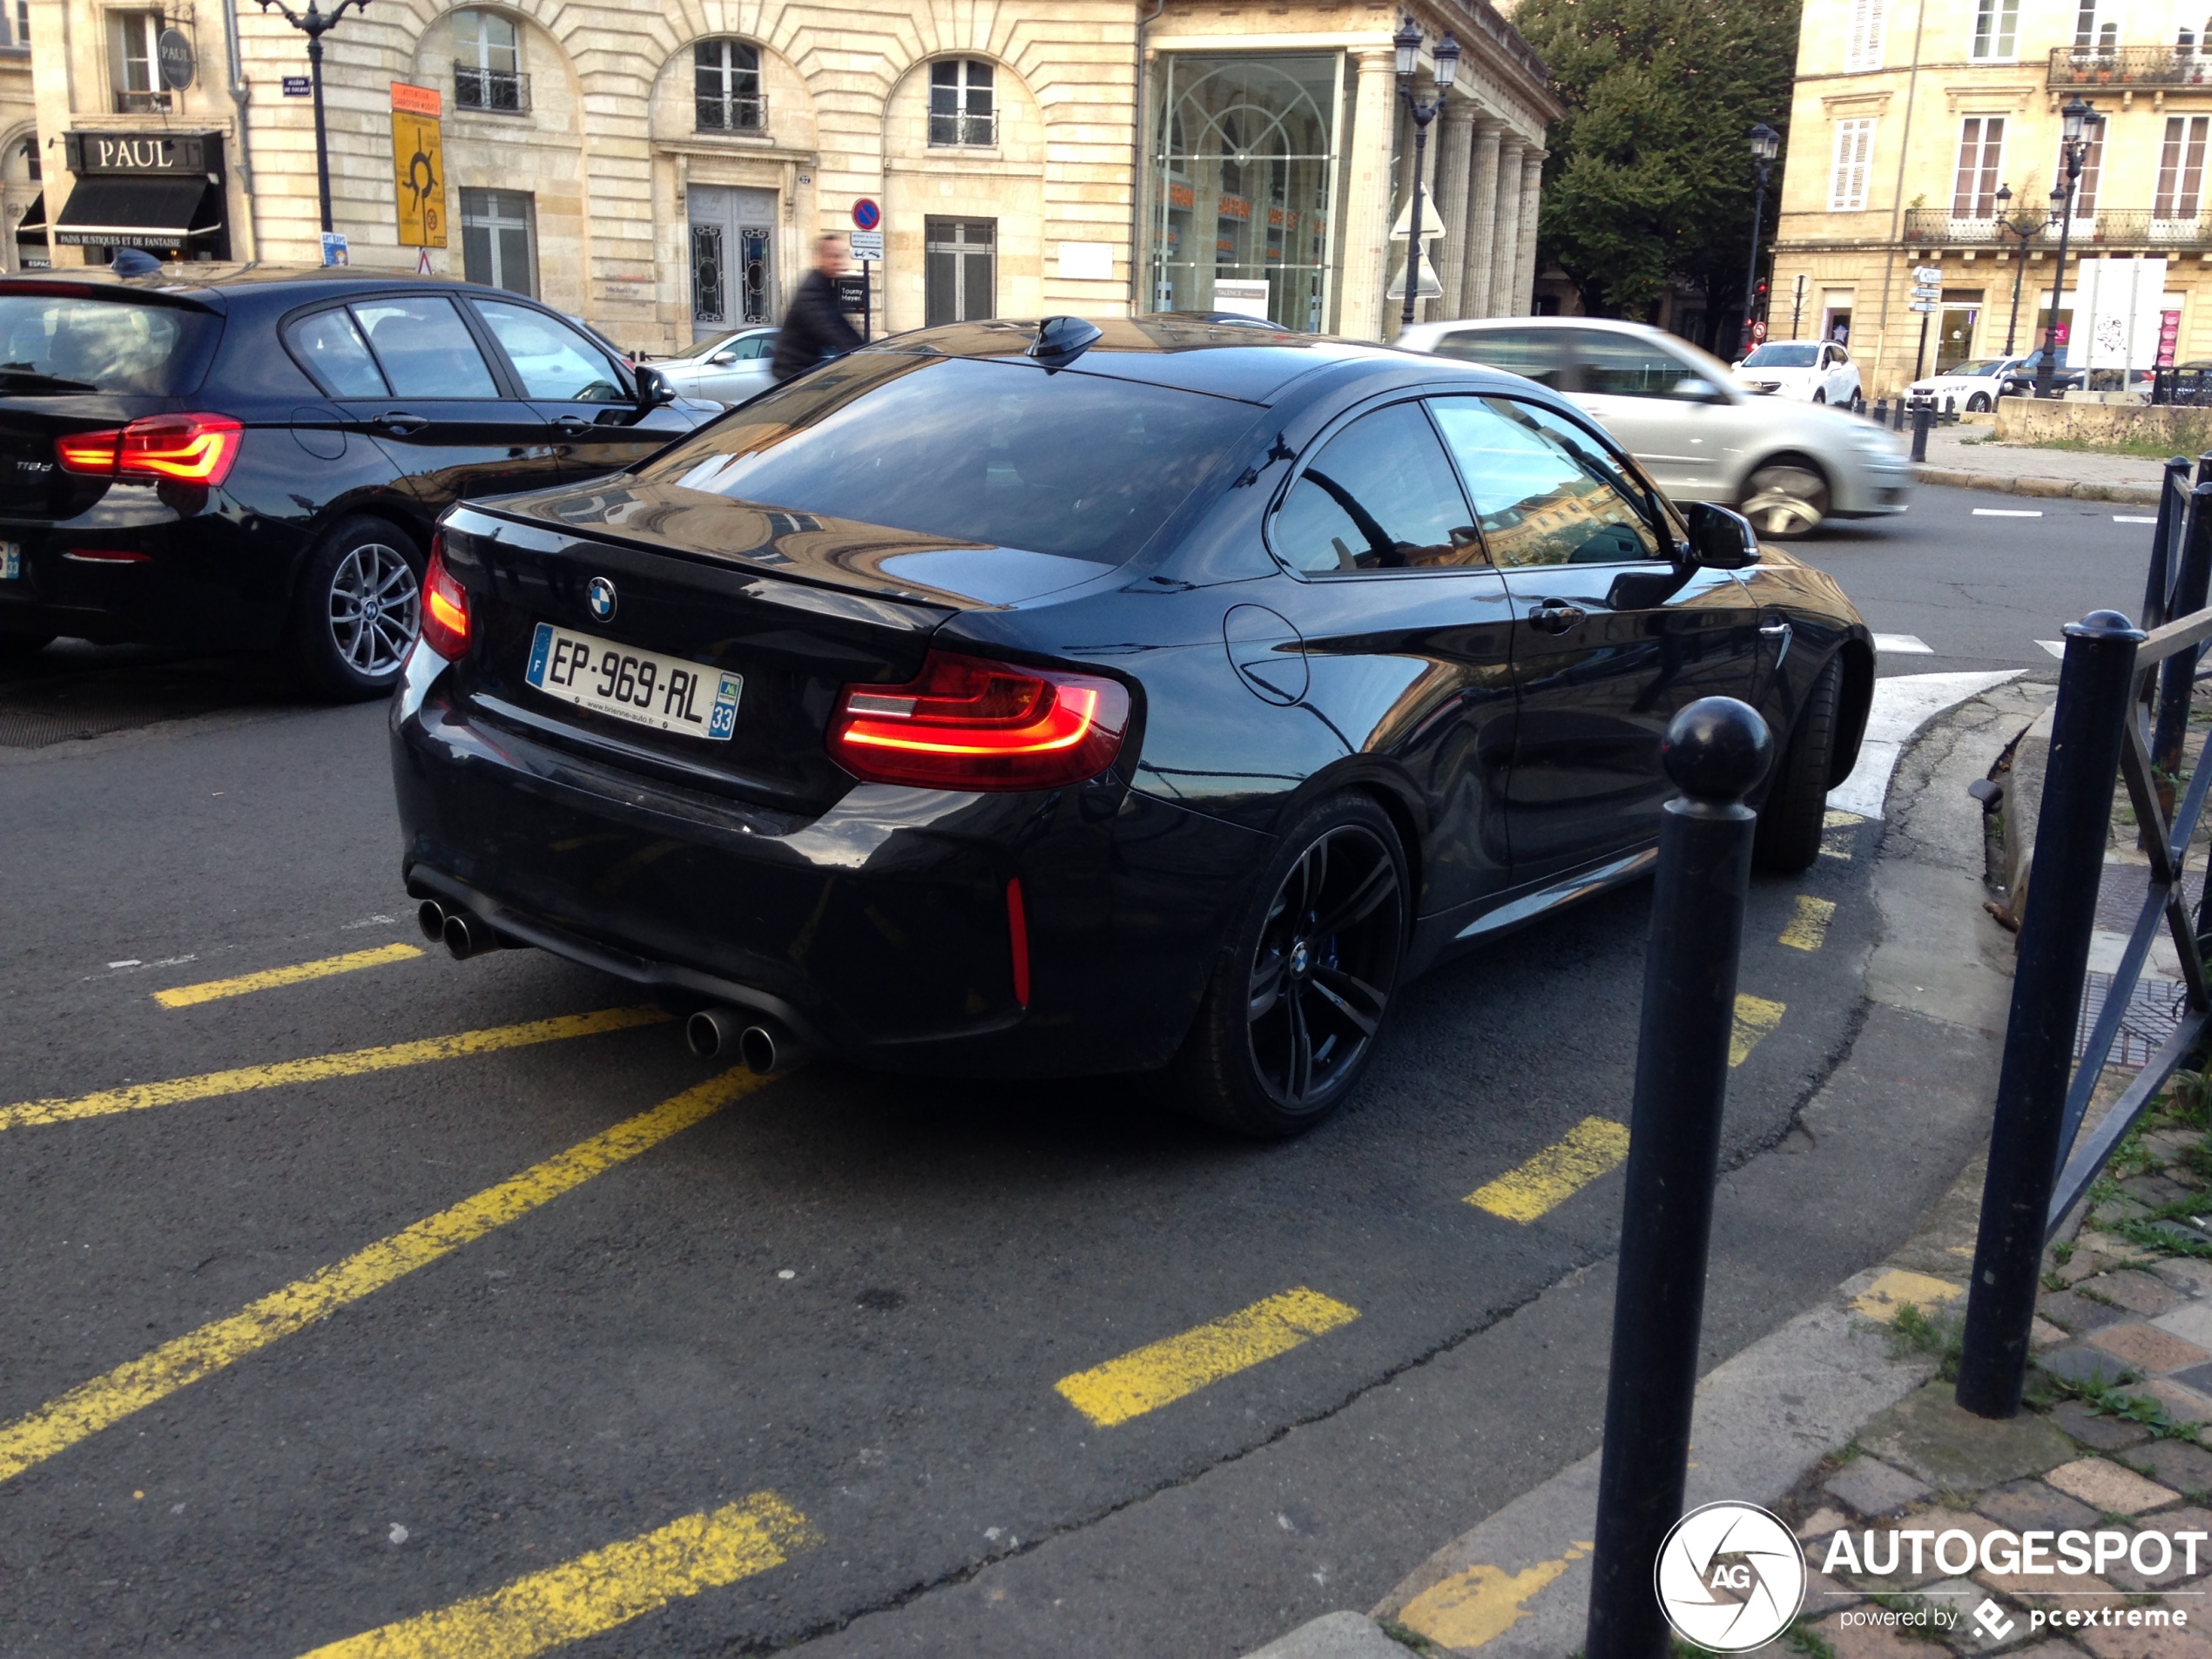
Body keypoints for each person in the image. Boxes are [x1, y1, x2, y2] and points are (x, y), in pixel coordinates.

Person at [771, 233, 863, 382]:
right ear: (819, 259)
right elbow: (832, 330)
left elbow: (844, 327)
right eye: (832, 257)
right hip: (792, 372)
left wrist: (868, 350)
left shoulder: (827, 285)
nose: (837, 262)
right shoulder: (813, 289)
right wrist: (864, 355)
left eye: (840, 256)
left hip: (806, 367)